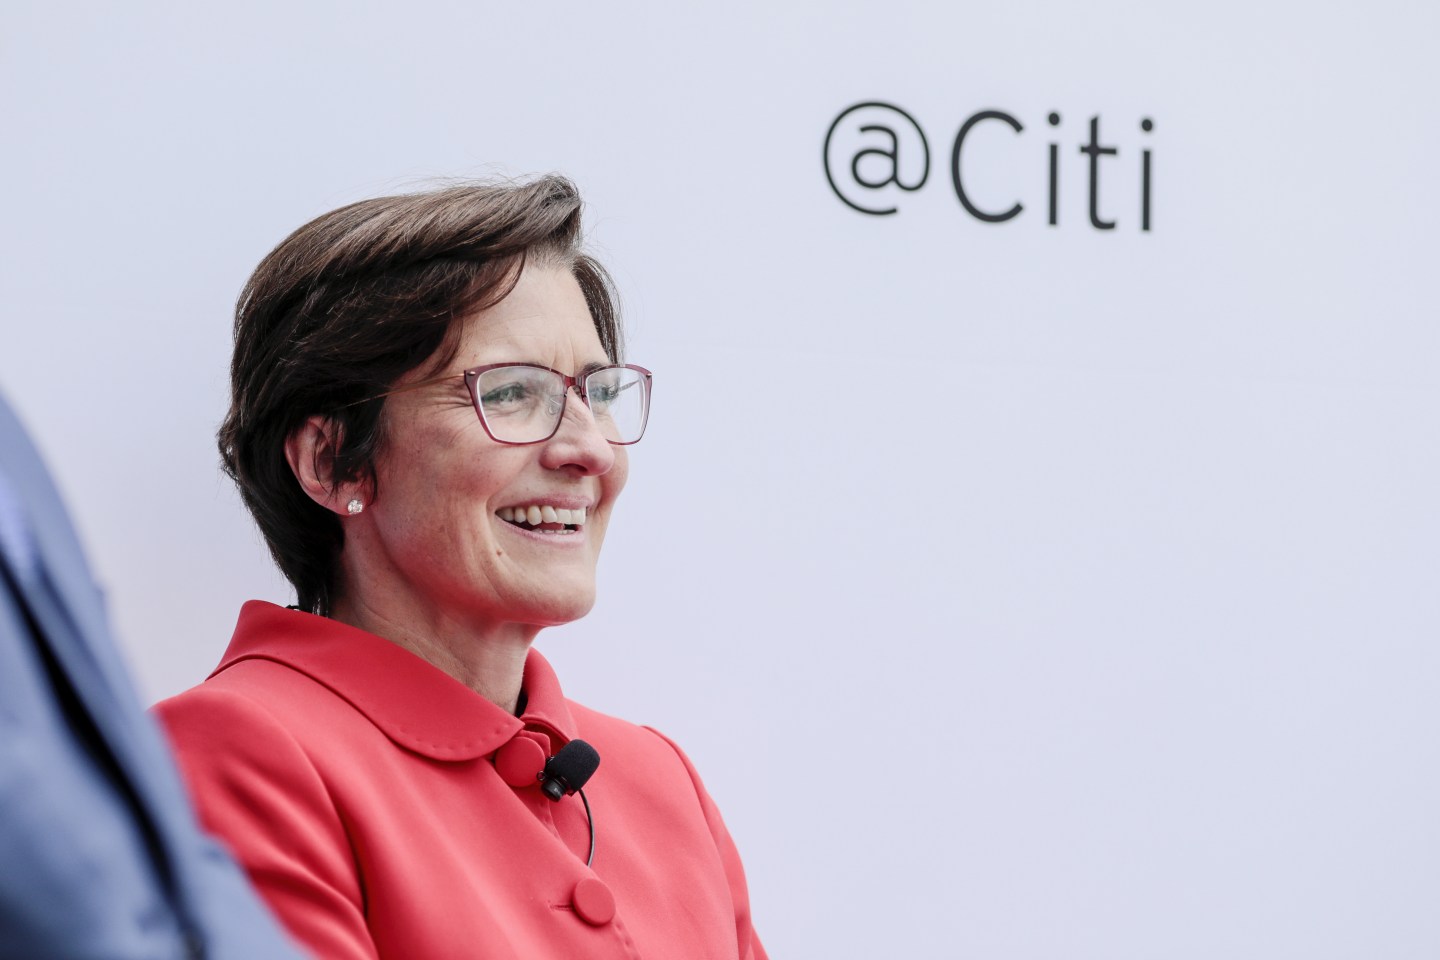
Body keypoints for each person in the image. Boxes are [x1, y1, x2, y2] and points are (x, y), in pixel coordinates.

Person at [154, 176, 767, 960]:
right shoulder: (232, 753)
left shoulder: (660, 782)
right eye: (512, 393)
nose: (588, 450)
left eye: (596, 393)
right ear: (334, 461)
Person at [0, 391, 303, 959]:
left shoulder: (8, 436)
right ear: (332, 461)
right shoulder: (248, 740)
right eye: (504, 392)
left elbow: (176, 858)